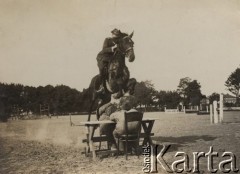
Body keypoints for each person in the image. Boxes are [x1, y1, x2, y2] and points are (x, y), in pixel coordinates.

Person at [96, 29, 122, 94]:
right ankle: (101, 86)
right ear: (112, 34)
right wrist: (112, 48)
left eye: (117, 35)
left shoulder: (118, 41)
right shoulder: (107, 40)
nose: (116, 36)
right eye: (115, 35)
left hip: (111, 58)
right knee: (102, 69)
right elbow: (104, 49)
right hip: (102, 57)